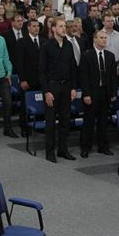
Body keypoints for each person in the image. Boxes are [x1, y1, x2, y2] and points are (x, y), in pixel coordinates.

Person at [39, 17, 78, 163]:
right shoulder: (46, 46)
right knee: (50, 121)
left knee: (65, 120)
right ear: (53, 28)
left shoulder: (68, 45)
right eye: (60, 26)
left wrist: (73, 87)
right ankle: (50, 152)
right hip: (52, 87)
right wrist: (46, 91)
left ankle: (63, 150)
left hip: (66, 86)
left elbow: (73, 67)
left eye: (64, 26)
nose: (64, 29)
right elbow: (42, 71)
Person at [79, 30, 117, 158]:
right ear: (95, 39)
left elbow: (113, 76)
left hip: (105, 92)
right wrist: (86, 94)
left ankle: (103, 146)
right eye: (101, 38)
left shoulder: (110, 56)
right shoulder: (87, 55)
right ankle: (85, 147)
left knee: (103, 121)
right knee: (89, 121)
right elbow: (84, 76)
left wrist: (113, 92)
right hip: (92, 92)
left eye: (105, 38)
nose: (104, 40)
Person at [15, 19, 45, 93]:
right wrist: (22, 80)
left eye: (38, 26)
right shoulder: (21, 42)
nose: (37, 28)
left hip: (43, 81)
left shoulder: (44, 41)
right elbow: (19, 62)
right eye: (34, 26)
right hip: (28, 81)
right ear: (28, 28)